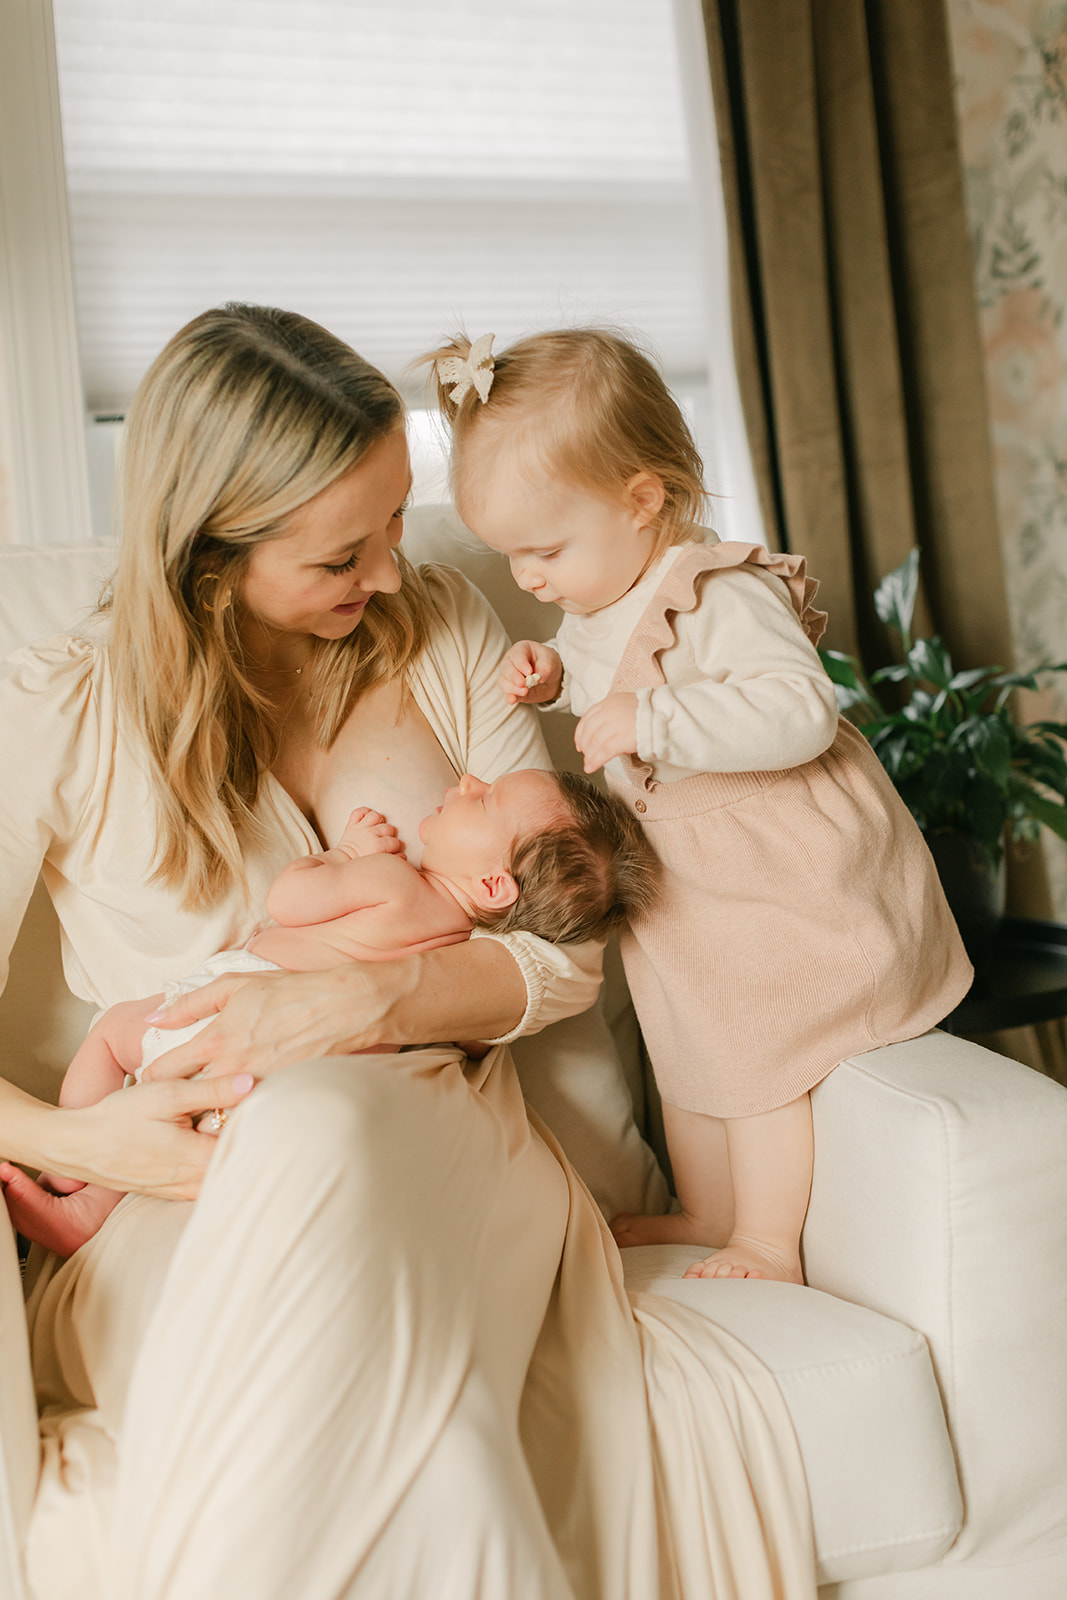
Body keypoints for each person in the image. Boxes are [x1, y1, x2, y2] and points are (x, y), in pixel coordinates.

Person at [0, 305, 817, 1599]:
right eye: (343, 552)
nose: (391, 570)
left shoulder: (443, 634)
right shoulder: (59, 703)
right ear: (211, 549)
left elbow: (564, 952)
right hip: (180, 1187)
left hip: (453, 1144)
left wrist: (367, 997)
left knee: (330, 1126)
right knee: (428, 1438)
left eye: (395, 519)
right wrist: (87, 1145)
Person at [428, 325, 974, 1286]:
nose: (526, 579)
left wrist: (656, 718)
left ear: (643, 500)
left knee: (762, 1045)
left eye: (544, 549)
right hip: (686, 882)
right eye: (510, 555)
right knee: (689, 1049)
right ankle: (705, 1206)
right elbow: (610, 673)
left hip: (776, 870)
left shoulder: (718, 590)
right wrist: (558, 676)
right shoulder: (597, 597)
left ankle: (768, 1237)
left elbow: (799, 712)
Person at [5, 769, 656, 1258]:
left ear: (494, 884)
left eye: (483, 799)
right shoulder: (462, 954)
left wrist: (344, 855)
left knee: (116, 1034)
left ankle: (75, 1168)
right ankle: (88, 1209)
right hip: (302, 1080)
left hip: (246, 1004)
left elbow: (290, 901)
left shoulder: (395, 882)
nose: (466, 779)